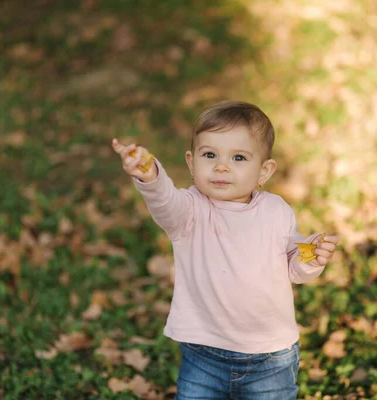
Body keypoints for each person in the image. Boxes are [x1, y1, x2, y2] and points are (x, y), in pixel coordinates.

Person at [112, 100, 338, 399]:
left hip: (270, 356)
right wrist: (149, 174)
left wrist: (311, 259)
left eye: (239, 158)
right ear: (192, 163)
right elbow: (164, 201)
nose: (221, 166)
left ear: (264, 170)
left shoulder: (275, 211)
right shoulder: (189, 212)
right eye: (210, 155)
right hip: (204, 354)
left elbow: (292, 268)